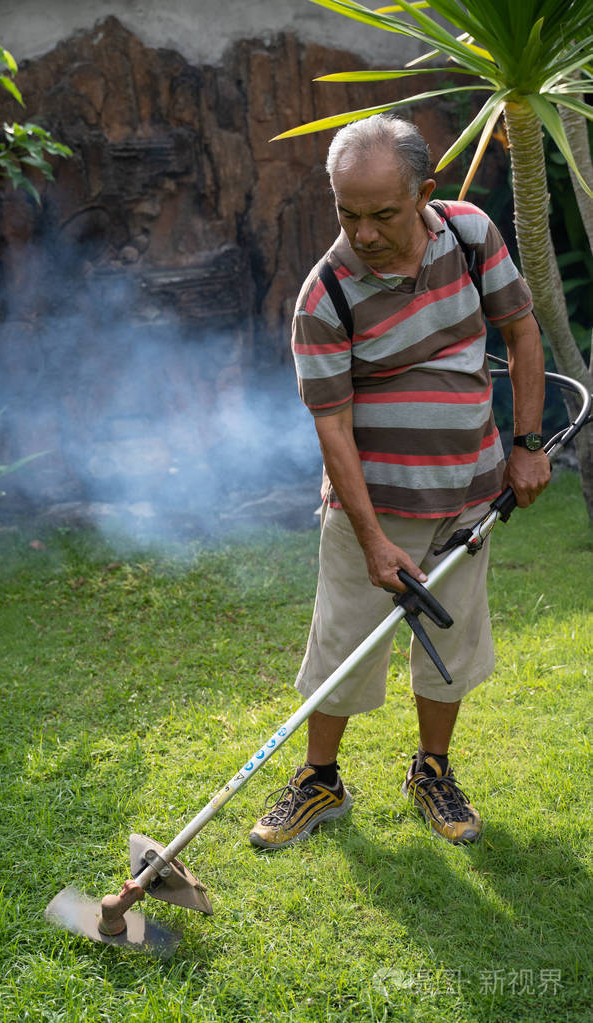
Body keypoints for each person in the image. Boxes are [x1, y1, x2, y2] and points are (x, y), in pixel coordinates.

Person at [249, 114, 551, 849]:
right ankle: (320, 777)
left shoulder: (473, 235)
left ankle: (432, 770)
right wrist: (374, 539)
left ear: (425, 192)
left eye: (383, 213)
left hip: (469, 495)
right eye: (347, 213)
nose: (365, 231)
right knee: (343, 642)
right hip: (372, 508)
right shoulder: (324, 300)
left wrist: (528, 444)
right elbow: (333, 431)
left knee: (453, 639)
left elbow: (521, 329)